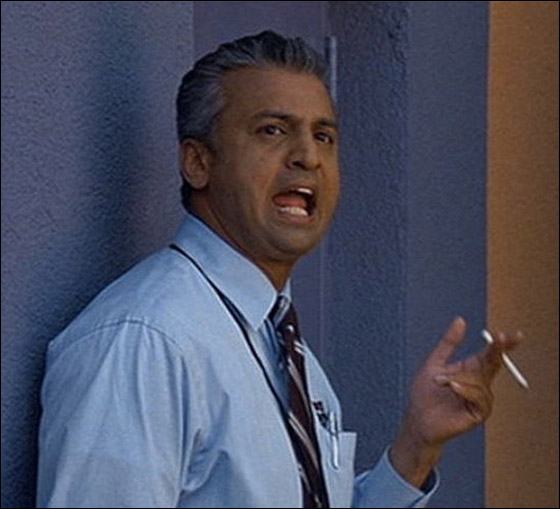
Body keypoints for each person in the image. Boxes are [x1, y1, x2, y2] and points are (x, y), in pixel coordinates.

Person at [36, 31, 522, 508]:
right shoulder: (146, 341)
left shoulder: (281, 343)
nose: (308, 157)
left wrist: (416, 449)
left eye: (323, 136)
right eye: (272, 130)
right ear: (198, 162)